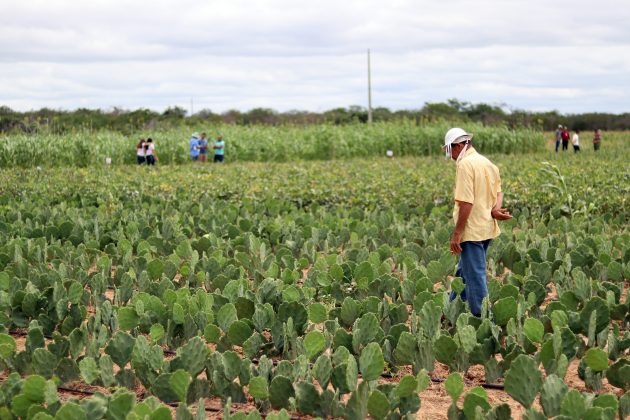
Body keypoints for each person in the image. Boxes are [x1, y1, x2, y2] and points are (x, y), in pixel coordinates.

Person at [443, 127, 512, 317]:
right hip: (486, 228)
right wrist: (496, 209)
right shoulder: (486, 163)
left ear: (457, 146)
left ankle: (484, 321)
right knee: (464, 273)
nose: (450, 157)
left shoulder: (465, 165)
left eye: (449, 151)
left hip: (471, 231)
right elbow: (499, 191)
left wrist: (457, 233)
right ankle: (449, 311)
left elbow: (466, 202)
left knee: (475, 277)